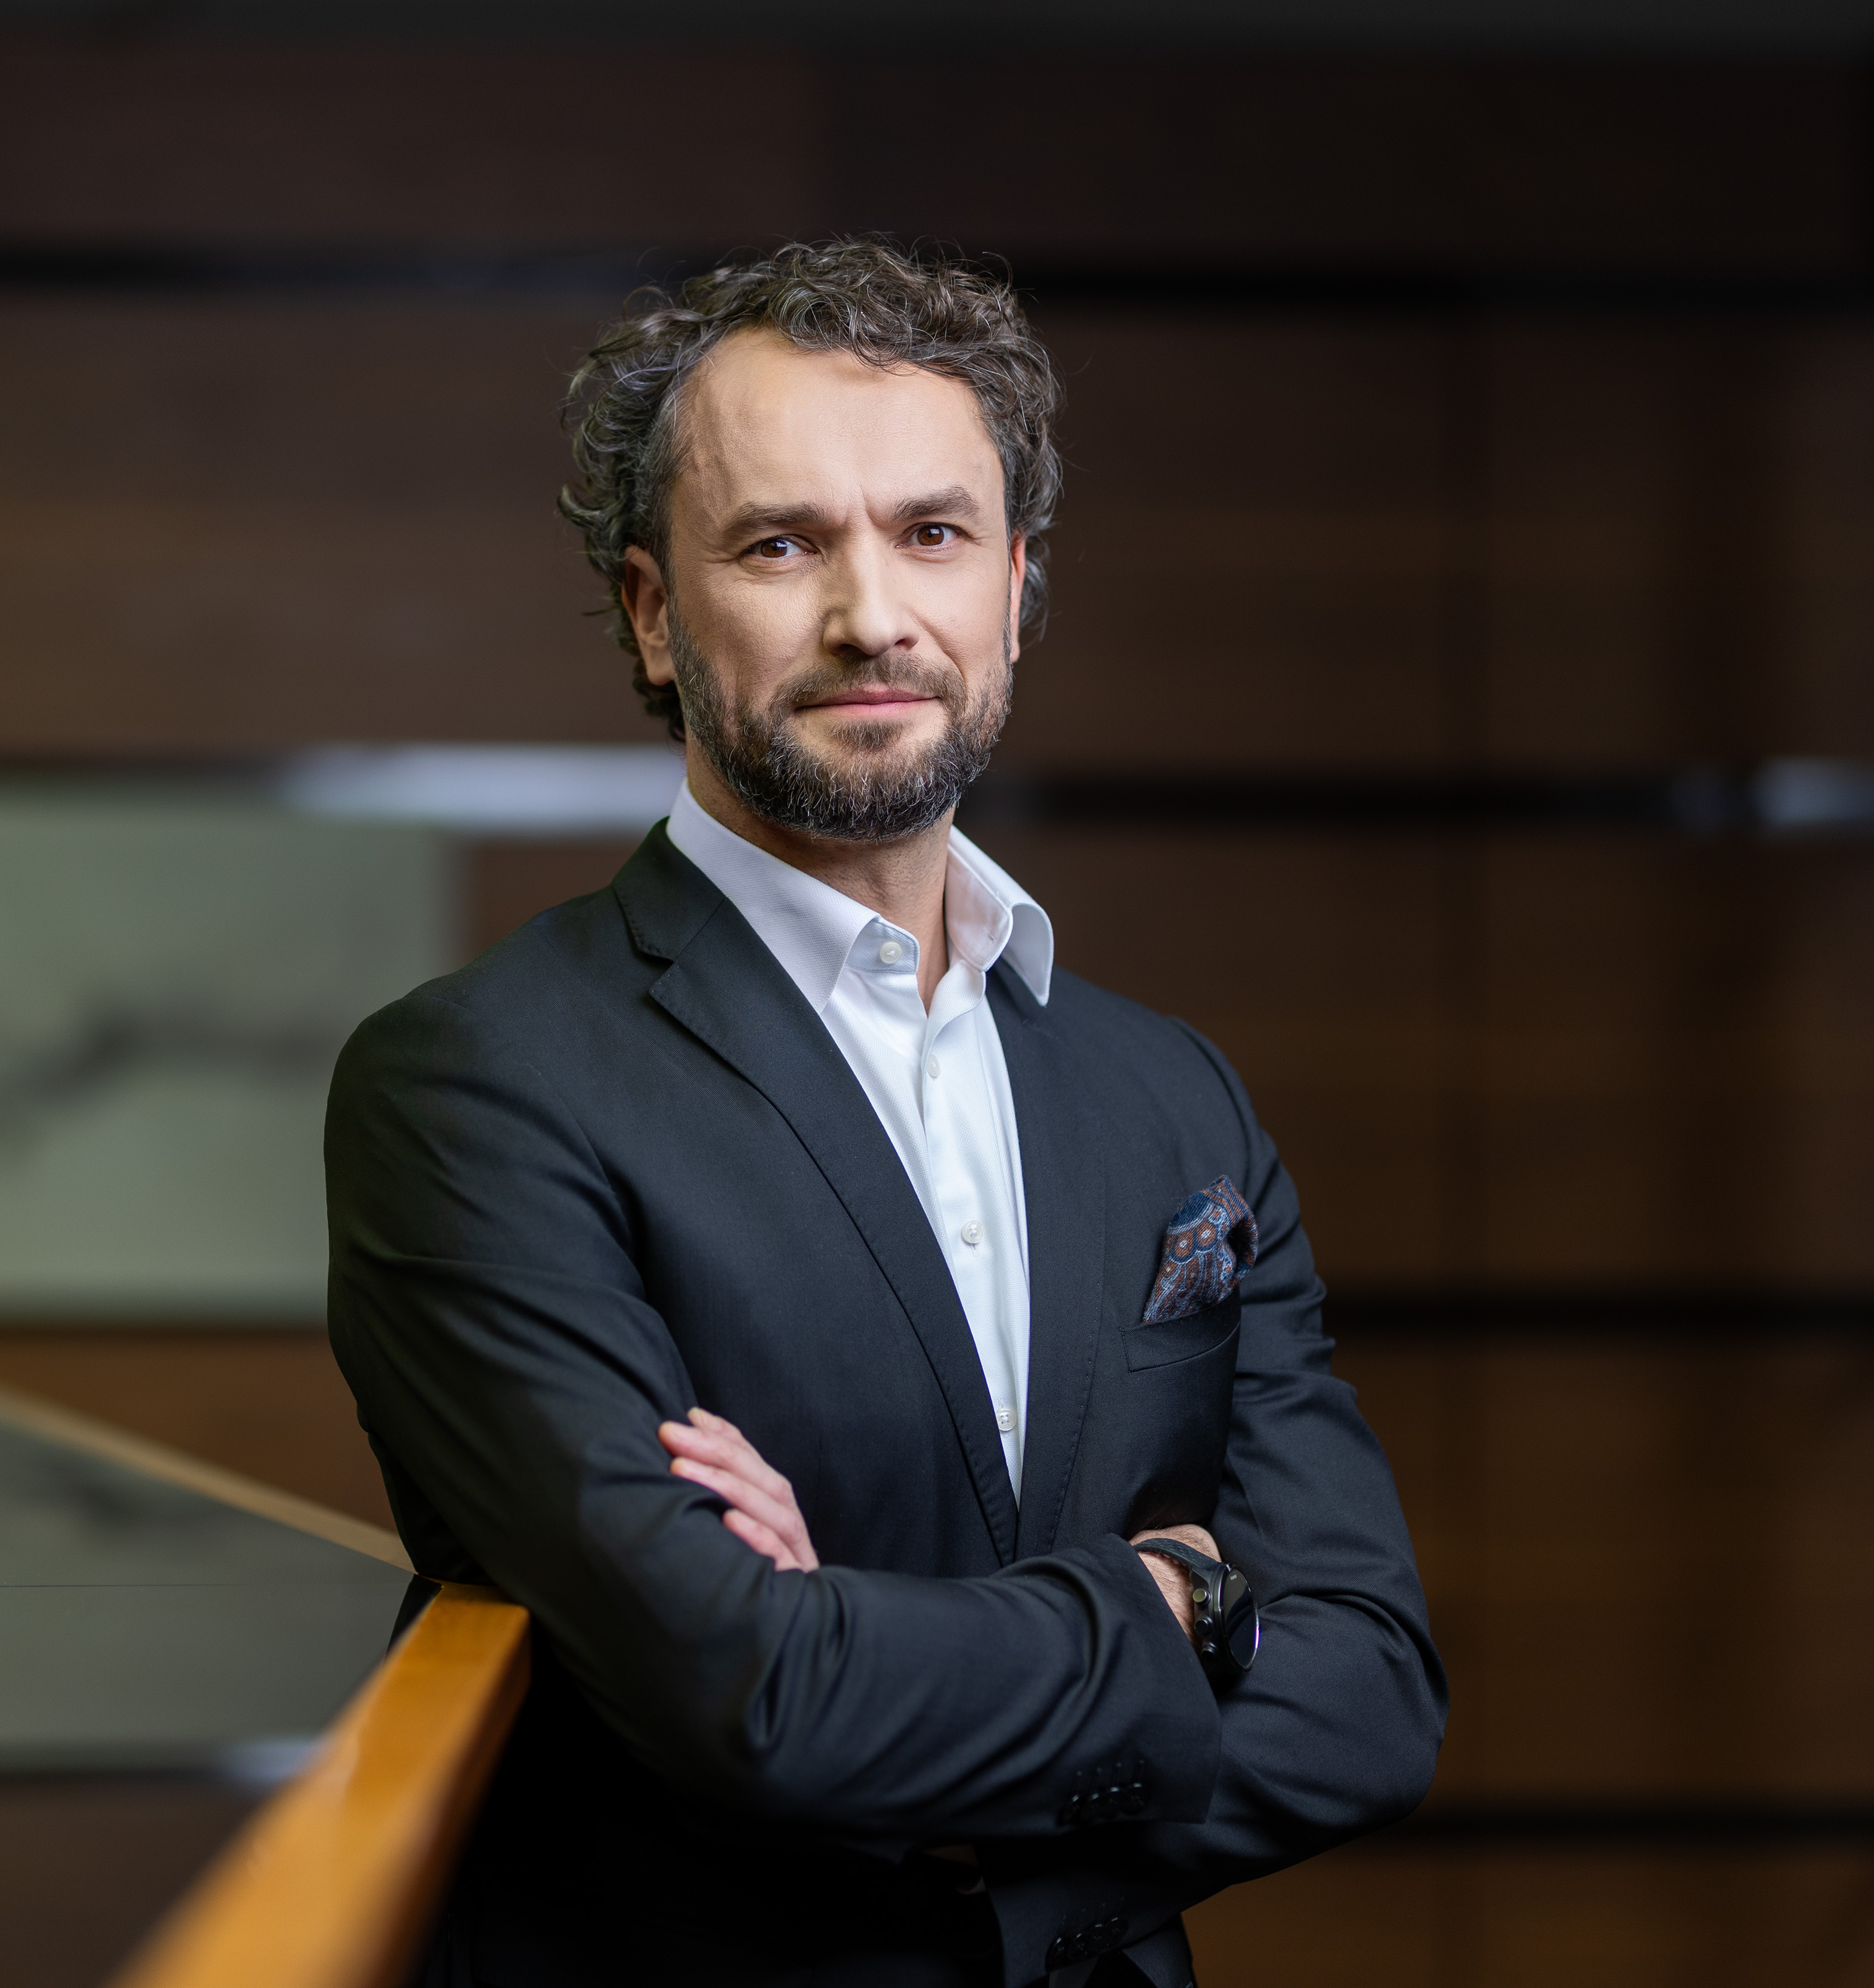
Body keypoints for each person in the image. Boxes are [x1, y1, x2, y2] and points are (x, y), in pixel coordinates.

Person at [323, 239, 1444, 1988]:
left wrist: (888, 1702)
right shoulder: (478, 1088)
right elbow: (752, 1697)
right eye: (781, 545)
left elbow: (1370, 1693)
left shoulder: (1171, 1096)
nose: (872, 615)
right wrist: (1180, 1604)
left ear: (1017, 584)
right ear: (652, 611)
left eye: (932, 533)